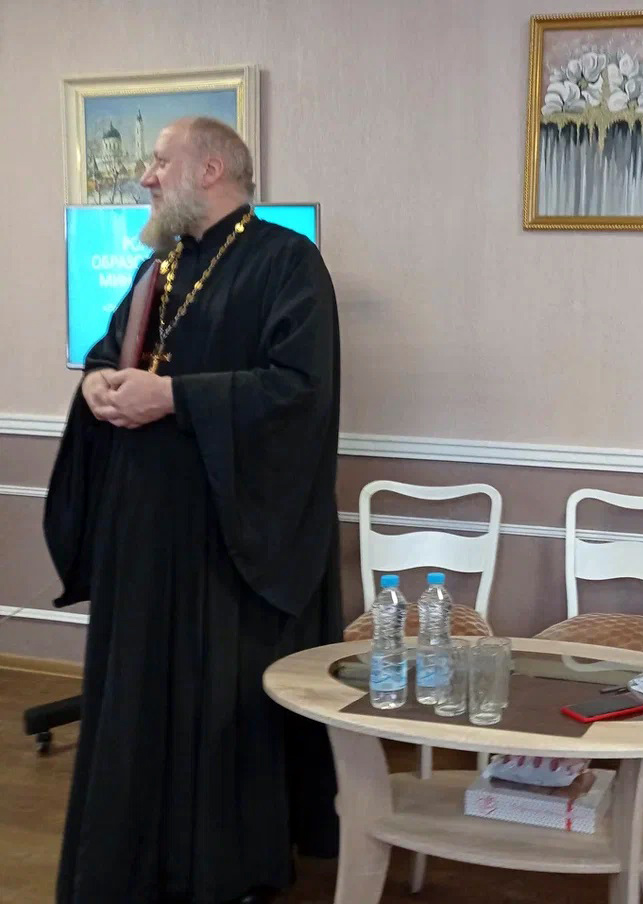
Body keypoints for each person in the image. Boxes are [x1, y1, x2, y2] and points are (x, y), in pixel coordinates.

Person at [44, 116, 342, 904]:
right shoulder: (160, 267)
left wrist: (174, 398)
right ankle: (130, 859)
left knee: (215, 703)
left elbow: (300, 391)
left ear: (211, 169)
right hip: (143, 527)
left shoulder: (286, 262)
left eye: (159, 162)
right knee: (139, 698)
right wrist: (96, 384)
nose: (146, 177)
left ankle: (221, 871)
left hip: (225, 536)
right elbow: (111, 354)